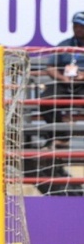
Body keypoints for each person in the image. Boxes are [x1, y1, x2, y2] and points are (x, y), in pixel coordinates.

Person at [40, 11, 84, 149]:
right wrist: (63, 78)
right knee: (45, 100)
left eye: (81, 26)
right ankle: (61, 135)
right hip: (65, 83)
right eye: (76, 25)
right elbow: (50, 67)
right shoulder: (64, 44)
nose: (78, 29)